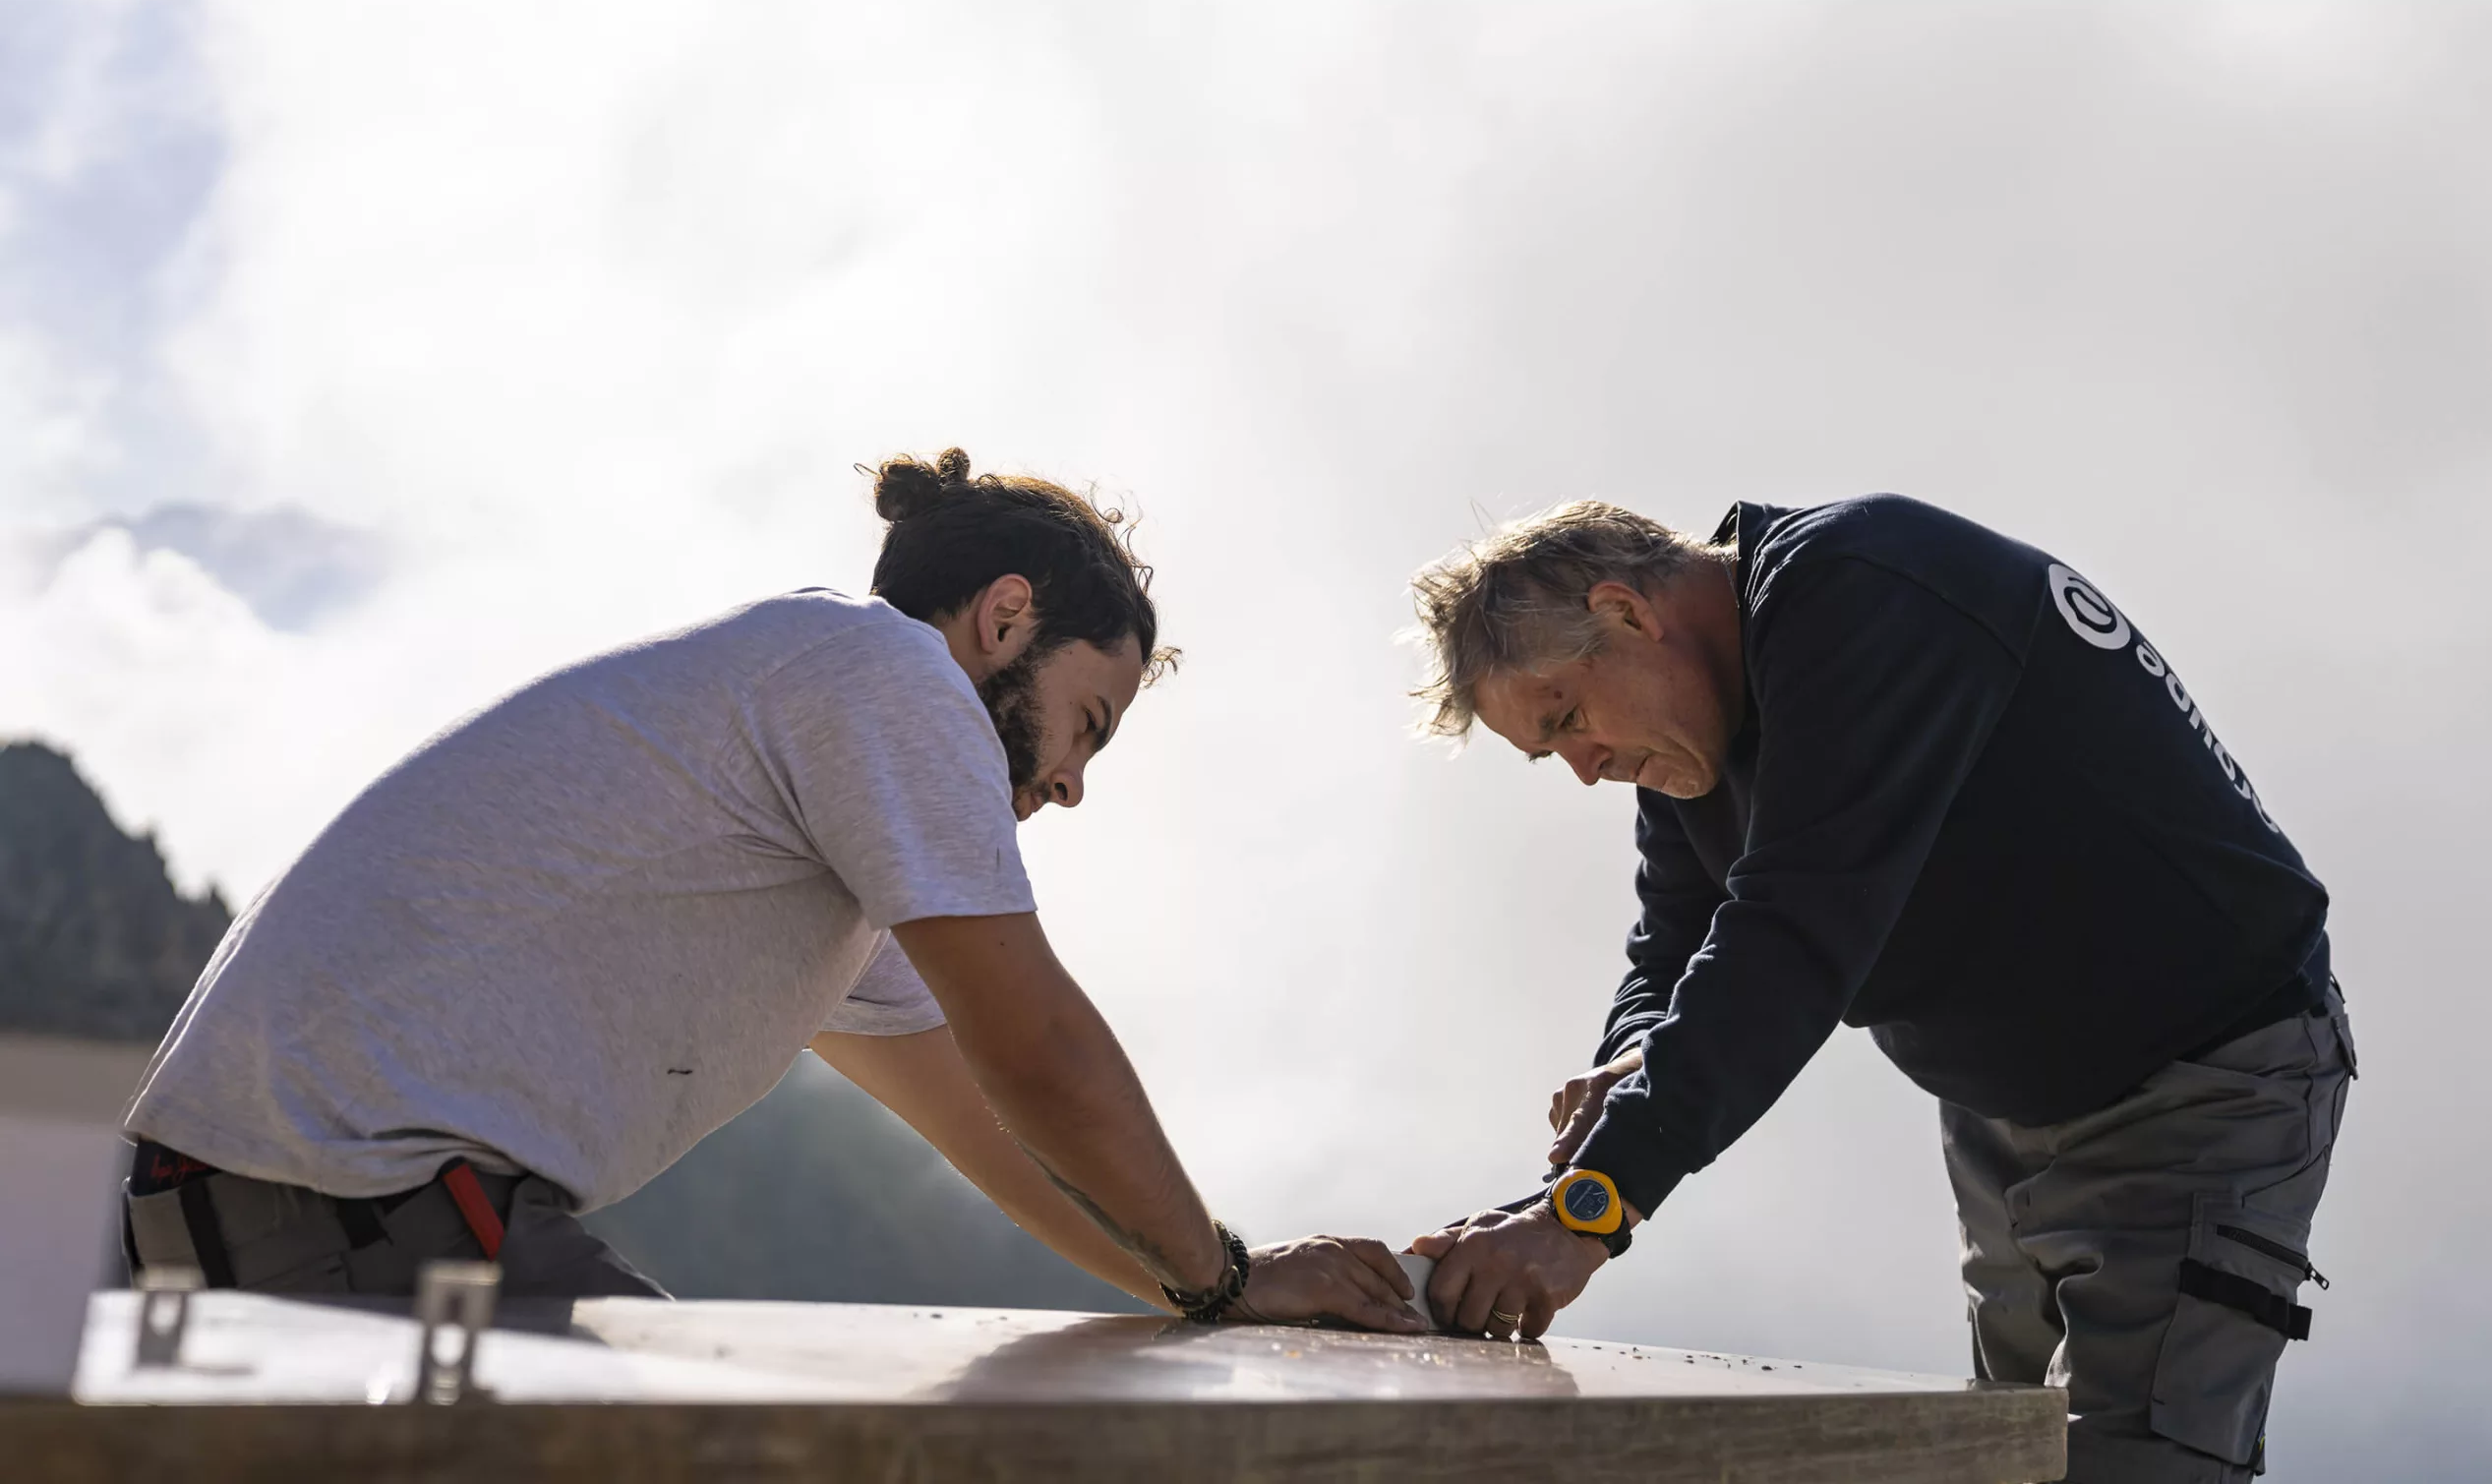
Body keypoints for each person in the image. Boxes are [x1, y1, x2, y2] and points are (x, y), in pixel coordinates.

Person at [122, 448, 1423, 1332]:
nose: (1075, 782)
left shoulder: (820, 787)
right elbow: (1038, 1051)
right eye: (1090, 721)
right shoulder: (889, 680)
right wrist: (1229, 1276)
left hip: (258, 1211)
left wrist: (1199, 1288)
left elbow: (992, 1125)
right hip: (354, 1202)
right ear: (1007, 617)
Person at [1400, 494, 2352, 1482]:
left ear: (1628, 614)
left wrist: (1585, 1213)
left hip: (2202, 1075)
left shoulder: (1865, 592)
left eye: (1567, 721)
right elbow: (1673, 946)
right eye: (1549, 751)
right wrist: (1624, 1071)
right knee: (2011, 1460)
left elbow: (1795, 931)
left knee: (2127, 1466)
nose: (1585, 771)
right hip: (2000, 1111)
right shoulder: (1685, 737)